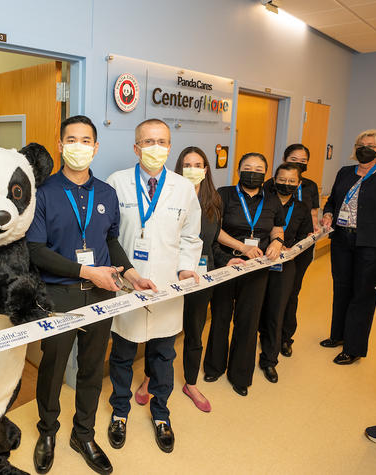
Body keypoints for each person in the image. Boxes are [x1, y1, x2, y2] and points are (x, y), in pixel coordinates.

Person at [27, 115, 155, 475]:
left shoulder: (107, 194)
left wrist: (130, 273)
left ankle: (83, 434)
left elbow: (110, 241)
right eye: (72, 139)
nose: (79, 147)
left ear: (95, 148)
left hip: (102, 296)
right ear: (60, 145)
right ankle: (48, 433)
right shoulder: (45, 193)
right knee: (52, 370)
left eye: (86, 141)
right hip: (59, 295)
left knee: (91, 368)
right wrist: (86, 271)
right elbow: (35, 250)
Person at [105, 119, 202, 454]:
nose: (155, 148)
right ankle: (120, 411)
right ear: (136, 147)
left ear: (170, 146)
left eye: (162, 141)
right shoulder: (116, 183)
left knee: (163, 355)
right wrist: (121, 274)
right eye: (148, 142)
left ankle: (161, 414)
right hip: (127, 286)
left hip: (167, 287)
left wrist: (188, 269)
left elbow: (192, 236)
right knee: (121, 355)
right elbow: (109, 236)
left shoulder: (184, 188)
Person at [143, 146, 243, 413]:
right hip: (167, 275)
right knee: (160, 330)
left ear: (206, 169)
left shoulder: (214, 200)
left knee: (195, 331)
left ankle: (190, 382)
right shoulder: (166, 194)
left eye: (198, 164)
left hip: (200, 276)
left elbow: (212, 242)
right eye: (187, 164)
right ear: (179, 168)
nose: (193, 169)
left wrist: (227, 260)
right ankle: (149, 378)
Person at [203, 152, 285, 396]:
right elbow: (214, 230)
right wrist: (242, 248)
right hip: (227, 263)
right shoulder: (224, 194)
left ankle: (240, 375)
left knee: (248, 321)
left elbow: (277, 226)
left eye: (259, 168)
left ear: (265, 173)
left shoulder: (272, 200)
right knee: (220, 317)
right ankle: (214, 366)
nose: (253, 171)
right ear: (238, 170)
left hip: (256, 268)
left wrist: (277, 242)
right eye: (248, 167)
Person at [320, 129, 376, 365]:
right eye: (361, 144)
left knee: (363, 294)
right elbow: (332, 201)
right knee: (341, 288)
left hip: (371, 244)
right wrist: (327, 215)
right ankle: (338, 335)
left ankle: (354, 348)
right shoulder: (345, 172)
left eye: (371, 145)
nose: (365, 149)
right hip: (342, 239)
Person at [258, 163, 313, 383]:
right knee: (255, 310)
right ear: (274, 179)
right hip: (259, 262)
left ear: (298, 183)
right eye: (282, 179)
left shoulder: (301, 208)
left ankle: (269, 360)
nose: (286, 184)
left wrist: (291, 249)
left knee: (276, 311)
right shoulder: (263, 201)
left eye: (292, 181)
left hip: (286, 265)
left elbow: (305, 237)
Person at [264, 144, 320, 357]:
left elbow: (311, 217)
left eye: (303, 159)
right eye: (293, 158)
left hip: (296, 252)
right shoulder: (269, 188)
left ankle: (285, 337)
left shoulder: (309, 188)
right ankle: (267, 334)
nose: (298, 161)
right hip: (270, 251)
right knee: (269, 295)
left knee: (290, 295)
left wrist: (297, 244)